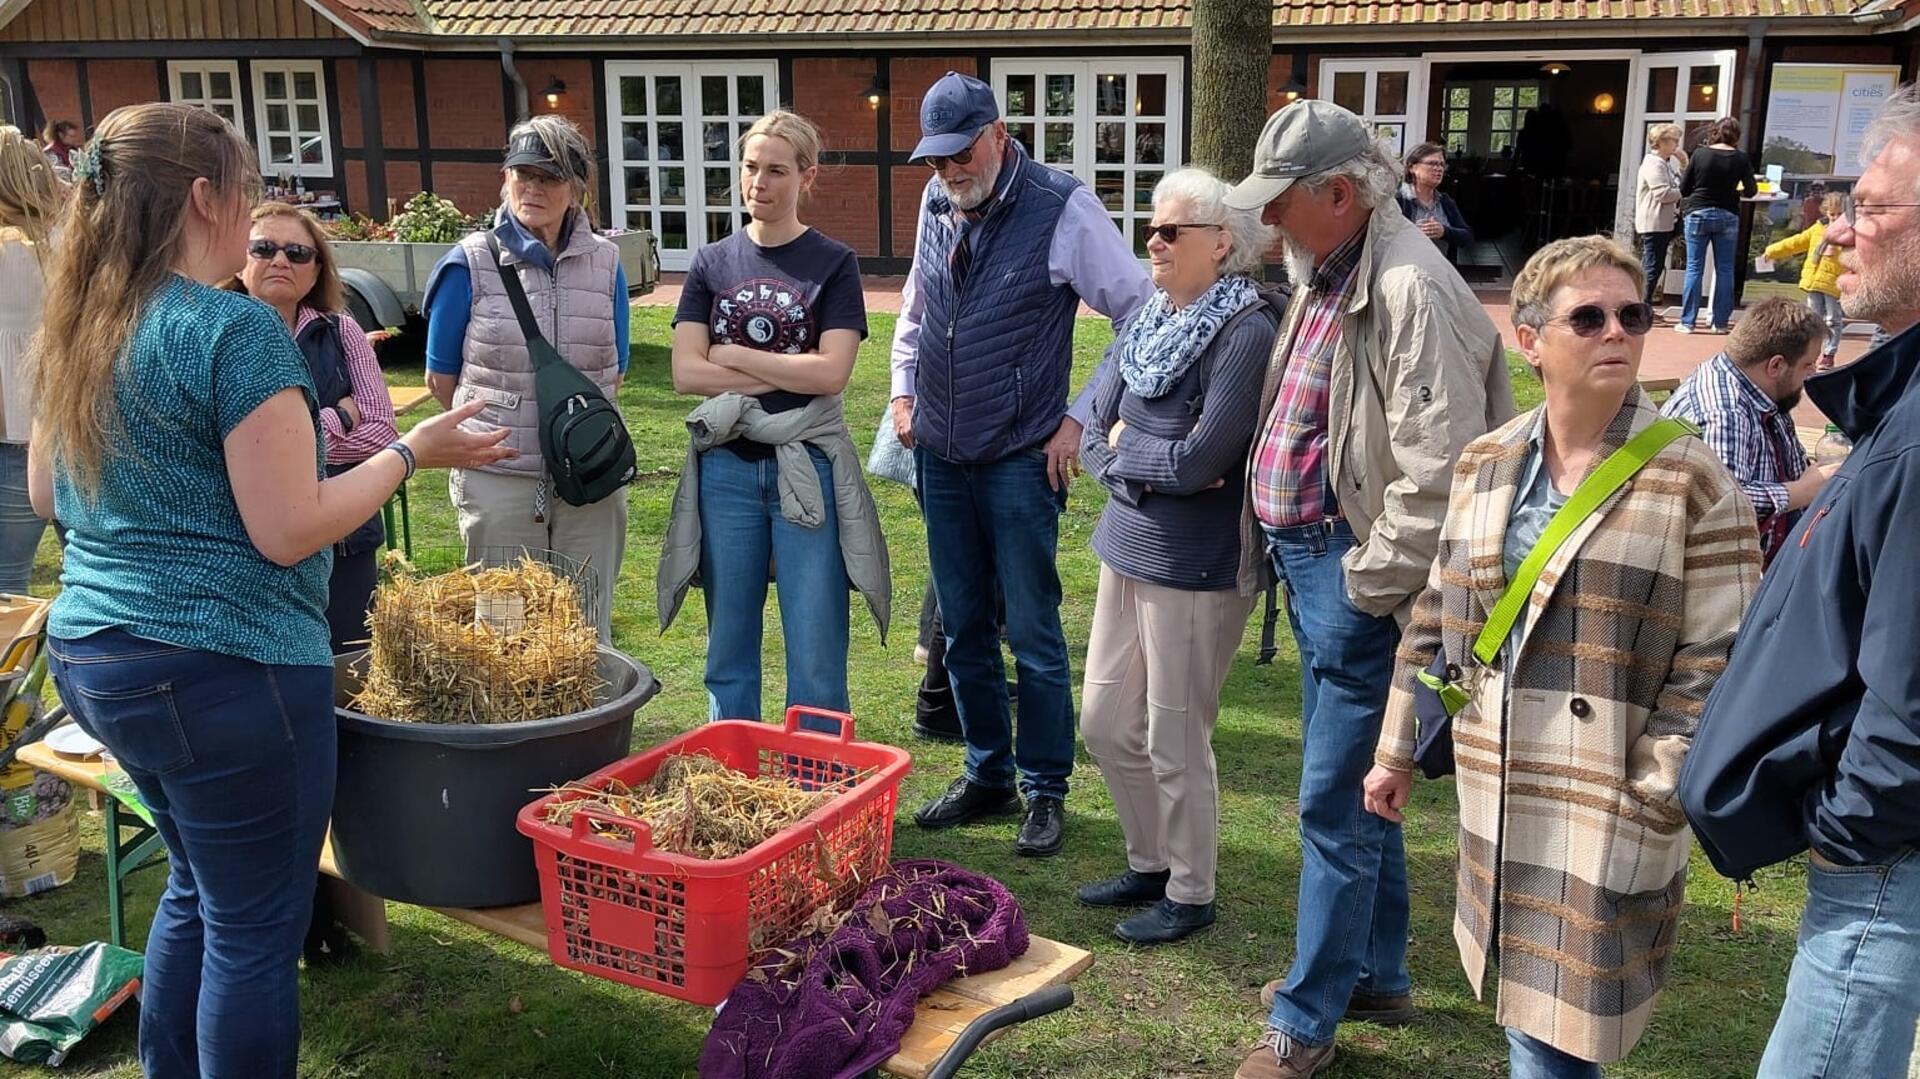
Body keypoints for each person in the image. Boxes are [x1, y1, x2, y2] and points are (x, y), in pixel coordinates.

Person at [25, 101, 509, 1079]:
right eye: (244, 191)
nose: (252, 216)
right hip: (224, 673)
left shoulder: (87, 318)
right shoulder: (233, 329)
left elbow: (46, 492)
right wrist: (416, 447)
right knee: (253, 927)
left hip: (95, 655)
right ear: (206, 196)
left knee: (198, 893)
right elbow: (290, 526)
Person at [1364, 234, 1760, 1079]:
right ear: (1533, 339)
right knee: (1527, 1013)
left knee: (1559, 1034)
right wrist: (1398, 745)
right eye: (1589, 316)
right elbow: (1440, 613)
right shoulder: (1487, 460)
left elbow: (1720, 660)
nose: (1616, 331)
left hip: (1602, 797)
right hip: (1498, 783)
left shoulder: (1694, 478)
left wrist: (1653, 788)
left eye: (1632, 314)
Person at [1224, 100, 1514, 1079]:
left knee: (1333, 803)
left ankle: (1306, 1021)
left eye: (1282, 205)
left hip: (1358, 578)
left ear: (1339, 195)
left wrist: (1362, 577)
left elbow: (1440, 471)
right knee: (1359, 789)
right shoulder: (1334, 260)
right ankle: (1374, 970)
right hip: (1322, 567)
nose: (1269, 223)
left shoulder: (1408, 287)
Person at [1680, 82, 1920, 1079]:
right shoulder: (1900, 401)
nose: (1839, 230)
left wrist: (1843, 834)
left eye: (1870, 207)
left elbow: (1910, 691)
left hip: (1879, 869)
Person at [891, 71, 1152, 858]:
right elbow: (915, 307)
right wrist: (902, 393)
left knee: (1033, 632)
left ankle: (1045, 787)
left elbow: (1138, 309)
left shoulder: (1062, 205)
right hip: (940, 449)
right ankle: (986, 773)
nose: (949, 172)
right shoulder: (939, 204)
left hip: (1018, 456)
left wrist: (1082, 416)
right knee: (960, 626)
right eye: (936, 160)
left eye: (962, 152)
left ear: (999, 135)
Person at [1075, 169, 1283, 946]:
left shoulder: (1246, 330)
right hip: (1125, 543)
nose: (1152, 243)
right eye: (1152, 229)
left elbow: (1203, 463)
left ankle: (1190, 890)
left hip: (1196, 563)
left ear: (1222, 242)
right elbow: (1096, 427)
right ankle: (1150, 859)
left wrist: (1137, 449)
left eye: (1171, 232)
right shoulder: (1152, 317)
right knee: (1102, 721)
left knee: (1175, 734)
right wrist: (1136, 453)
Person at [659, 110, 889, 722]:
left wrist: (732, 353)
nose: (760, 183)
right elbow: (686, 373)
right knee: (729, 643)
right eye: (751, 168)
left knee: (816, 645)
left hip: (805, 466)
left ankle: (813, 784)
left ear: (806, 177)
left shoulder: (832, 263)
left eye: (777, 171)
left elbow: (833, 373)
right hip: (727, 471)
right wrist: (787, 366)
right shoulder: (713, 262)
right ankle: (730, 778)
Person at [422, 114, 631, 639]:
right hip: (499, 473)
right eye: (523, 173)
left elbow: (616, 366)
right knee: (504, 630)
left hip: (589, 475)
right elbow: (439, 377)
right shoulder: (468, 262)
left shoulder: (607, 263)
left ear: (577, 189)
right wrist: (499, 428)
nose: (533, 187)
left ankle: (589, 723)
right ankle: (514, 727)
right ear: (505, 177)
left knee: (586, 624)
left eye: (550, 177)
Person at [231, 202, 398, 652]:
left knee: (351, 665)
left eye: (297, 253)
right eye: (263, 248)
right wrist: (339, 416)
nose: (280, 260)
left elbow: (383, 432)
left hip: (343, 535)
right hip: (247, 544)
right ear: (238, 259)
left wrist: (283, 448)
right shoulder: (220, 336)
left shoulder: (342, 331)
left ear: (317, 267)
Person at [1662, 296, 1830, 565]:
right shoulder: (1723, 412)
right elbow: (1719, 505)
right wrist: (1801, 491)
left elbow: (1794, 465)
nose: (1811, 373)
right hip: (1738, 574)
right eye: (1807, 365)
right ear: (1775, 366)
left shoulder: (1761, 389)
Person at [0, 126, 59, 594]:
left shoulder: (7, 250)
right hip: (72, 428)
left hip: (13, 435)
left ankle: (13, 671)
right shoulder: (72, 243)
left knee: (6, 584)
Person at [1676, 116, 1757, 335]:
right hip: (1727, 214)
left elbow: (1684, 189)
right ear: (1736, 136)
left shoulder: (1700, 154)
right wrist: (1733, 190)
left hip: (1698, 212)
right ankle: (1720, 323)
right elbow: (1751, 191)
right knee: (1725, 269)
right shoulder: (1741, 158)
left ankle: (1687, 322)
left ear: (1714, 133)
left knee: (1694, 268)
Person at [1762, 191, 1847, 369]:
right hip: (1815, 280)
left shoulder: (1849, 233)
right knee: (1812, 320)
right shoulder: (1818, 229)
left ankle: (1829, 354)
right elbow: (1796, 242)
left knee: (1833, 319)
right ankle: (1810, 355)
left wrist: (1838, 251)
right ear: (1826, 213)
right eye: (1832, 214)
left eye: (1839, 215)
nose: (1835, 219)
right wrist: (1771, 251)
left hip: (1834, 283)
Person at [1635, 123, 1685, 311]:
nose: (1677, 145)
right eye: (1674, 141)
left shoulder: (1663, 163)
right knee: (1652, 265)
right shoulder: (1653, 163)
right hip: (1653, 221)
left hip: (1663, 222)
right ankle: (1642, 306)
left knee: (1654, 264)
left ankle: (1642, 304)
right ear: (1662, 141)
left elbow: (1678, 184)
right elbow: (1663, 194)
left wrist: (1683, 164)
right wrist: (1684, 191)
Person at [1394, 143, 1470, 260]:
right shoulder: (1398, 200)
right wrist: (1412, 232)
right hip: (1406, 271)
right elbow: (1383, 238)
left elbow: (1466, 237)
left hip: (1441, 273)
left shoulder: (1445, 201)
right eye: (1432, 163)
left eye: (1442, 165)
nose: (1438, 169)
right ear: (1412, 167)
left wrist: (1444, 232)